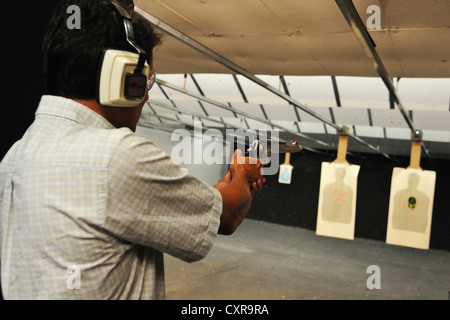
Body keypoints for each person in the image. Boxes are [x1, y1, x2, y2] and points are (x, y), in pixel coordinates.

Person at [0, 0, 264, 300]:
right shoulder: (117, 156)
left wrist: (227, 184)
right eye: (146, 79)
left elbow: (186, 205)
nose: (147, 94)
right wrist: (242, 174)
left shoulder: (17, 155)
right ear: (125, 80)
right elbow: (226, 215)